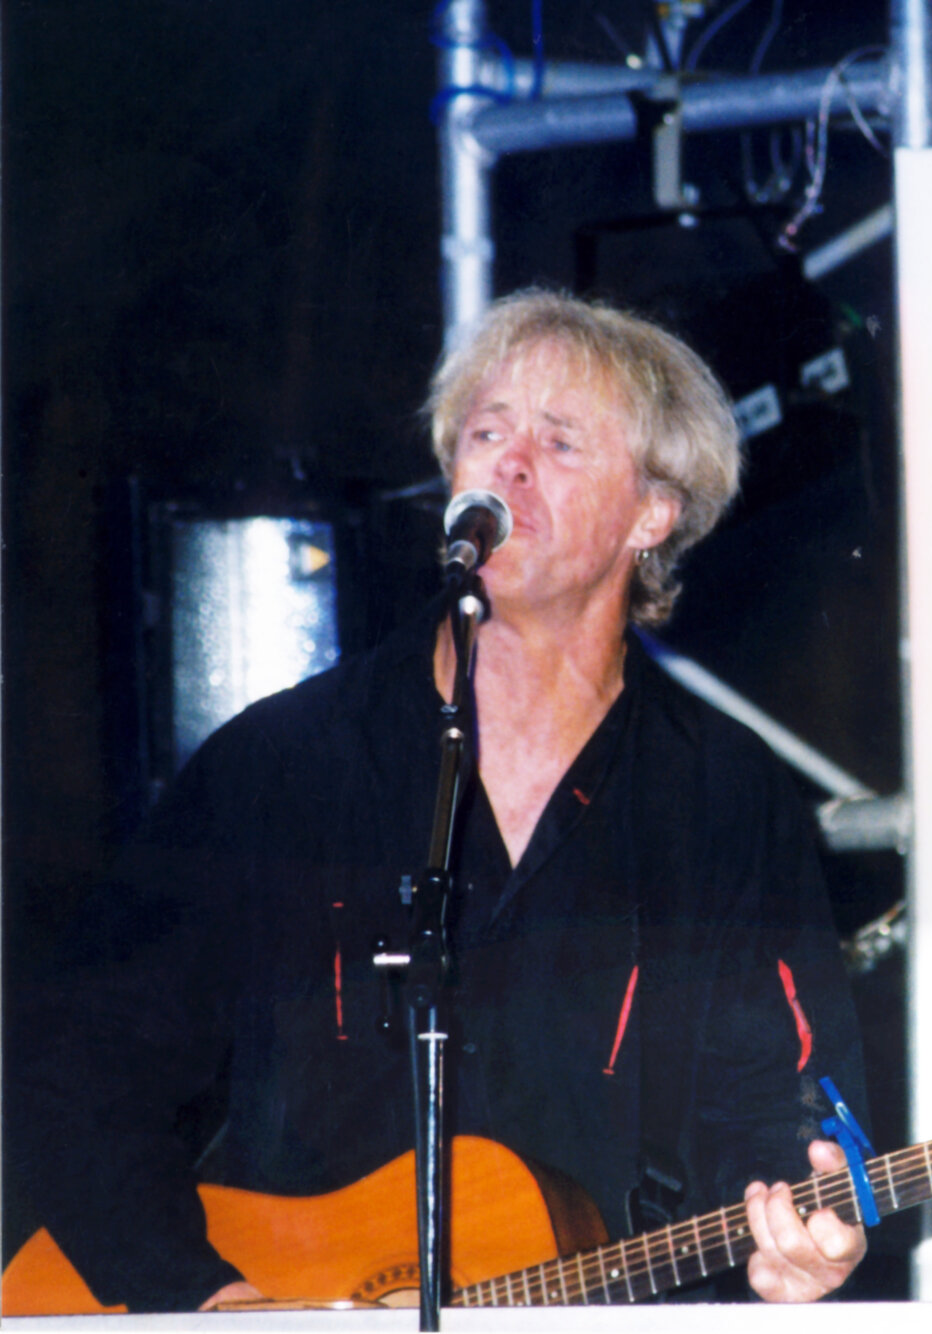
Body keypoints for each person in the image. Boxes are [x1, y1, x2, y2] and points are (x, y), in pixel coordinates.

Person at [10, 290, 869, 1310]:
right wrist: (206, 1298)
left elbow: (781, 1102)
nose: (510, 465)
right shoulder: (288, 762)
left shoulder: (721, 794)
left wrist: (800, 1237)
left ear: (651, 514)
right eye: (486, 433)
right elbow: (72, 1059)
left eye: (559, 442)